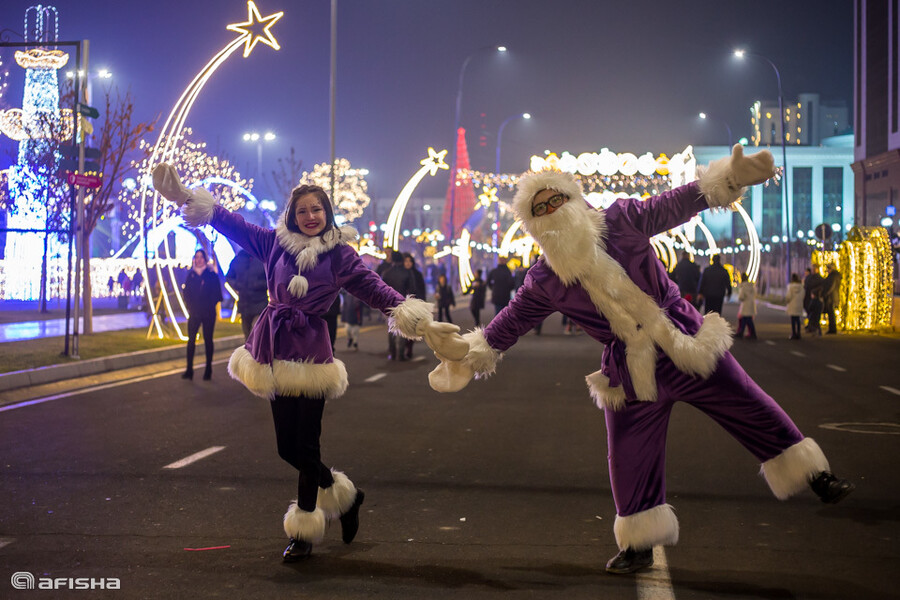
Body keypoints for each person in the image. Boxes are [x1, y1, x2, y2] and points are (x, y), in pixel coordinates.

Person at [428, 145, 854, 575]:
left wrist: (730, 178)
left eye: (558, 198)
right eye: (541, 207)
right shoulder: (543, 280)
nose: (553, 208)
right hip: (632, 368)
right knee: (628, 456)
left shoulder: (621, 219)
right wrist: (467, 354)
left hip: (684, 339)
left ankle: (815, 476)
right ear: (534, 224)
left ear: (575, 199)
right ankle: (639, 545)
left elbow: (676, 203)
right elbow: (509, 323)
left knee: (748, 402)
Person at [152, 164, 467, 562]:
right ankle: (346, 497)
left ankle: (302, 534)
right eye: (302, 210)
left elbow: (373, 288)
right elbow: (232, 224)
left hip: (312, 352)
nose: (310, 216)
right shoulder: (273, 243)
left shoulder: (339, 255)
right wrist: (186, 198)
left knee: (307, 443)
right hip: (274, 348)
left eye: (316, 209)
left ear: (327, 212)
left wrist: (418, 320)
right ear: (292, 215)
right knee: (287, 447)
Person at [181, 249, 223, 380]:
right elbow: (186, 293)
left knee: (208, 340)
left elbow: (217, 294)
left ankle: (208, 369)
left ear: (205, 259)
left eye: (201, 257)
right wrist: (190, 307)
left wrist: (208, 305)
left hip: (208, 313)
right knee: (191, 341)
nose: (198, 260)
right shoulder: (191, 275)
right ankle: (189, 370)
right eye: (196, 257)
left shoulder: (211, 275)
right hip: (194, 313)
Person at [226, 248, 269, 341]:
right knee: (247, 336)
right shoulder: (238, 259)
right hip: (244, 304)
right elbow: (229, 277)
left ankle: (257, 350)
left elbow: (270, 278)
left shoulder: (262, 258)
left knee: (257, 333)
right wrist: (238, 285)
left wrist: (259, 284)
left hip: (260, 303)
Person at [380, 250, 414, 360]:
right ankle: (401, 354)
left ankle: (392, 352)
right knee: (402, 328)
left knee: (391, 328)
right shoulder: (406, 273)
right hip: (403, 303)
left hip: (389, 304)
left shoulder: (386, 273)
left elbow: (381, 290)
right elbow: (412, 290)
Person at [404, 253, 427, 359]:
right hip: (403, 305)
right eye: (406, 261)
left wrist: (423, 304)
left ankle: (409, 348)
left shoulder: (417, 274)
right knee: (404, 327)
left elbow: (422, 290)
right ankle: (403, 347)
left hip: (415, 304)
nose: (408, 263)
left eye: (410, 261)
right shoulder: (401, 274)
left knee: (412, 327)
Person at [735, 272, 758, 340]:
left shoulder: (743, 286)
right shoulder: (751, 286)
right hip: (751, 304)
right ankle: (744, 332)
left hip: (745, 304)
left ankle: (748, 333)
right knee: (747, 319)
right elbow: (755, 294)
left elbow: (741, 297)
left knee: (746, 319)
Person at [803, 266, 825, 332]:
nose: (813, 270)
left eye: (814, 269)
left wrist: (814, 293)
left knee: (814, 313)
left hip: (814, 298)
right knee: (810, 312)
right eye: (812, 269)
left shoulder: (818, 278)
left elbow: (821, 287)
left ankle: (813, 327)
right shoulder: (810, 277)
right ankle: (811, 326)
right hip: (808, 297)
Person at [822, 263, 842, 334]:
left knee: (831, 313)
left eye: (828, 269)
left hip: (831, 297)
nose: (827, 270)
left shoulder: (833, 276)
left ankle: (832, 329)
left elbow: (831, 286)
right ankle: (832, 328)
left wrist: (825, 293)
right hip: (832, 296)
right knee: (831, 313)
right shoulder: (835, 276)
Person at [786, 273, 804, 340]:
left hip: (792, 305)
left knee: (793, 320)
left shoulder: (790, 287)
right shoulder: (801, 287)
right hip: (799, 304)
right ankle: (799, 333)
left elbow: (788, 296)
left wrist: (787, 301)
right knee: (798, 319)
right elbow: (803, 295)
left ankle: (794, 333)